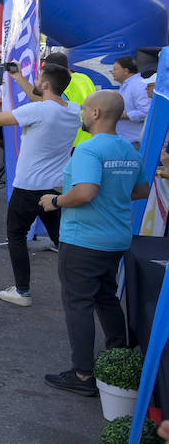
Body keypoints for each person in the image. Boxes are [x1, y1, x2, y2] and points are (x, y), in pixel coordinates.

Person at [38, 91, 147, 395]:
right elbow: (140, 190)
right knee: (105, 297)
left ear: (97, 113)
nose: (83, 114)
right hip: (115, 238)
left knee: (78, 304)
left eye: (85, 109)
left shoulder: (88, 149)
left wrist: (56, 200)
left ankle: (83, 375)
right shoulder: (127, 148)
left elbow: (86, 193)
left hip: (84, 239)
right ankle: (117, 359)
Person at [0, 62, 81, 307]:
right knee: (61, 238)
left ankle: (22, 291)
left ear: (46, 84)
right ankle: (79, 286)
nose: (36, 81)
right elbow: (41, 99)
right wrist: (17, 77)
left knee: (16, 235)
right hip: (57, 186)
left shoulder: (37, 110)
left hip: (28, 187)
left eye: (38, 79)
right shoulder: (73, 109)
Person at [112, 56, 150, 149]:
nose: (112, 72)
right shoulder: (127, 85)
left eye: (115, 69)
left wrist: (120, 115)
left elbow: (146, 112)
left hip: (135, 141)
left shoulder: (139, 85)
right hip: (127, 140)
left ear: (125, 71)